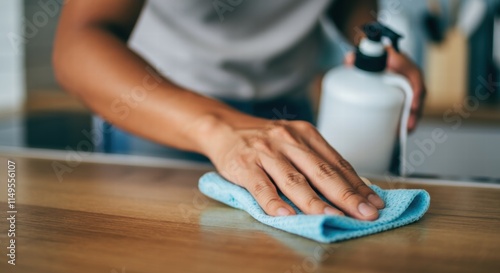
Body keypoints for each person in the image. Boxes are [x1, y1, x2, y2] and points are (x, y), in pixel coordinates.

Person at [53, 0, 426, 221]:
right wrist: (218, 128)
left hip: (287, 112)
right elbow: (79, 41)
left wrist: (368, 42)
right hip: (157, 109)